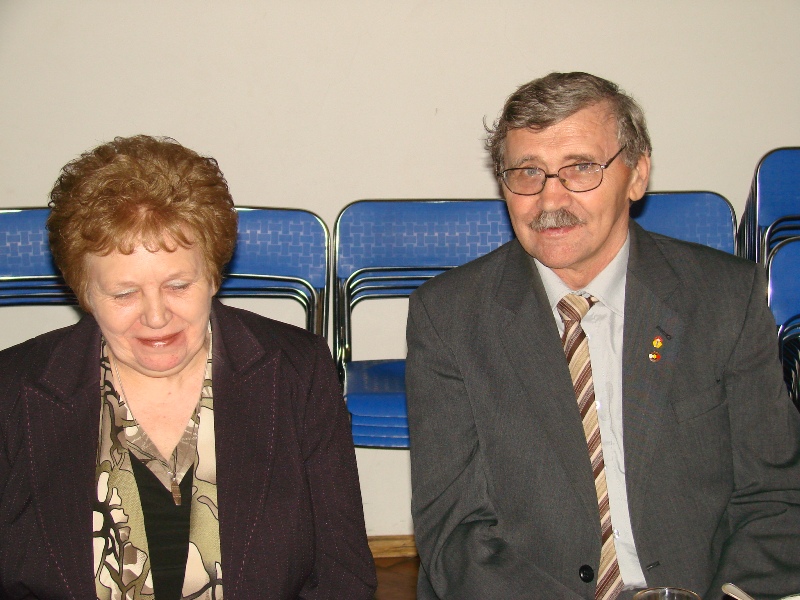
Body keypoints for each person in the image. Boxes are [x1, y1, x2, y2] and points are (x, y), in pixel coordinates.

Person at [406, 72, 800, 599]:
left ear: (637, 175)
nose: (550, 198)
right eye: (528, 172)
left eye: (580, 168)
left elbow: (776, 498)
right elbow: (455, 532)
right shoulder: (449, 317)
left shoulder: (723, 299)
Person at [0, 135, 377, 599]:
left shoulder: (297, 371)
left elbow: (344, 574)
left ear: (214, 274)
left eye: (178, 285)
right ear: (84, 291)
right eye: (124, 293)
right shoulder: (12, 391)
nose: (156, 316)